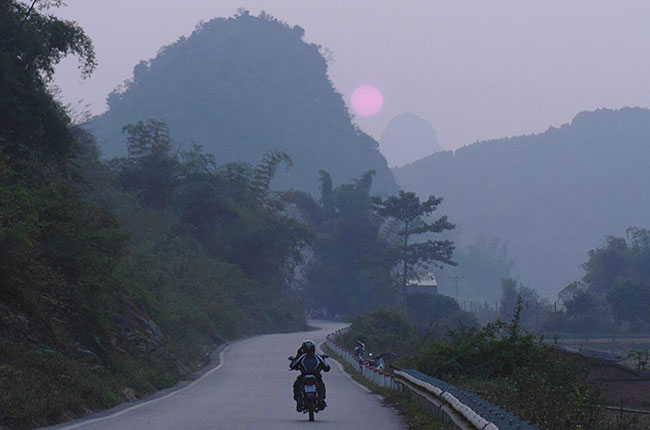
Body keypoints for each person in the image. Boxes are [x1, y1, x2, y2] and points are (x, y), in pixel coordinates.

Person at [289, 340, 330, 411]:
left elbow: (293, 365)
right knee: (321, 386)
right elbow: (326, 367)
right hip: (316, 376)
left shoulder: (302, 356)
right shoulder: (318, 357)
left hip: (304, 376)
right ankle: (321, 400)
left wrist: (293, 364)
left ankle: (299, 400)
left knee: (296, 385)